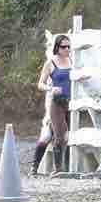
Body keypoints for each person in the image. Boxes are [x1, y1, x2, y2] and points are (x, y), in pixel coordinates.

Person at [34, 34, 72, 175]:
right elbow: (40, 84)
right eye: (63, 47)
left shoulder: (73, 61)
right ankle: (57, 169)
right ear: (57, 47)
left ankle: (66, 167)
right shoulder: (50, 63)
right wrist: (51, 88)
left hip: (72, 103)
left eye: (69, 46)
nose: (67, 49)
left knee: (69, 136)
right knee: (60, 136)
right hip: (57, 103)